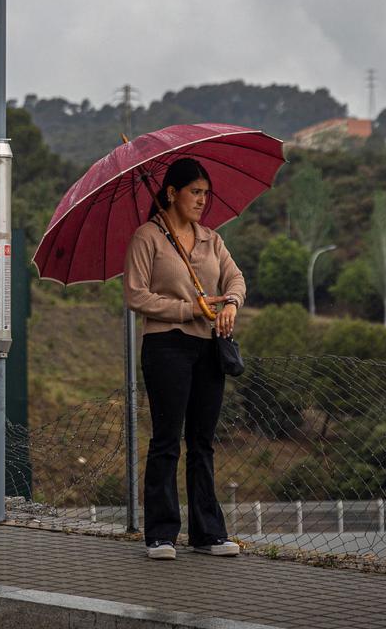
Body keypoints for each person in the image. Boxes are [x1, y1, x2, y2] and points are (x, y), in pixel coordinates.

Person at [123, 157, 246, 560]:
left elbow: (235, 279)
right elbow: (136, 296)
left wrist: (230, 303)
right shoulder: (148, 237)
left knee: (202, 442)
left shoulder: (212, 238)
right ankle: (160, 534)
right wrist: (190, 308)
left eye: (206, 194)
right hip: (166, 346)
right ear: (171, 192)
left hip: (209, 348)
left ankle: (207, 533)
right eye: (195, 192)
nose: (202, 201)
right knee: (166, 440)